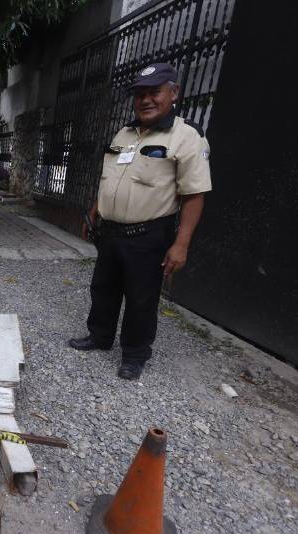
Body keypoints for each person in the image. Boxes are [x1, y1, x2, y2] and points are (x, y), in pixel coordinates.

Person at [69, 63, 212, 380]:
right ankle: (100, 336)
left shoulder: (187, 138)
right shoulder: (125, 133)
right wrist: (94, 212)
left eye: (154, 92)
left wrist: (181, 245)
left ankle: (134, 355)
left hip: (149, 235)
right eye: (140, 94)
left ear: (173, 93)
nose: (146, 100)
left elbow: (194, 195)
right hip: (110, 232)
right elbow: (112, 180)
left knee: (141, 298)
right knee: (103, 288)